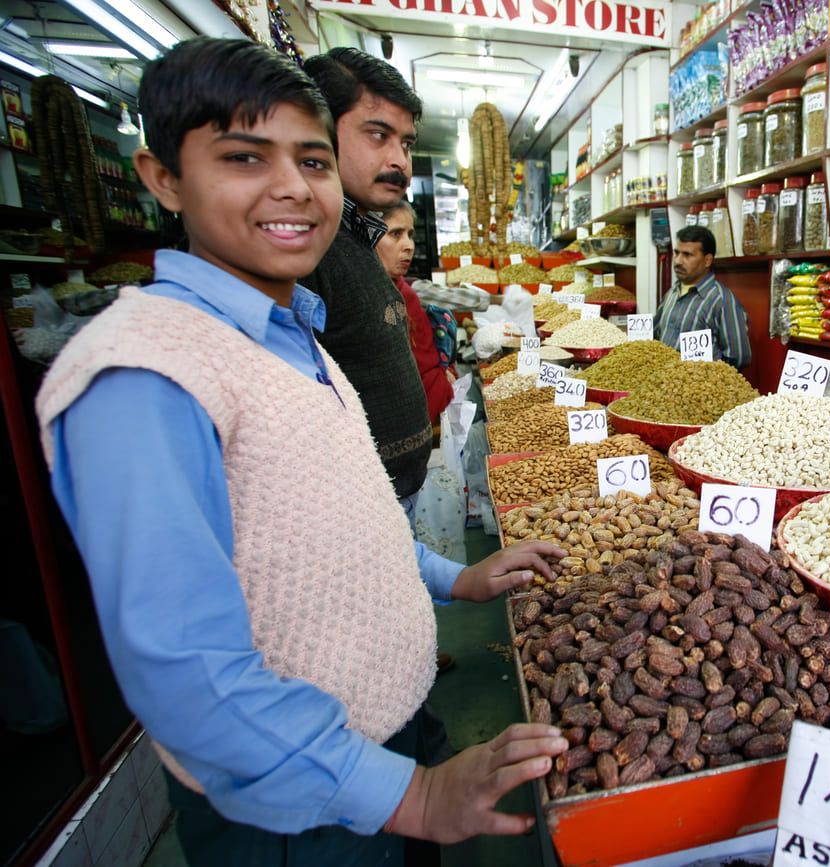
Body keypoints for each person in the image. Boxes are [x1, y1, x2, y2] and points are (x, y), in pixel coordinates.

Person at [35, 38, 566, 865]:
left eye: (313, 160)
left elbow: (346, 521)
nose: (291, 187)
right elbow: (192, 679)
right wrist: (411, 794)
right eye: (244, 157)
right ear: (163, 176)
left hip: (388, 733)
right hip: (298, 811)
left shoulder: (293, 335)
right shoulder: (142, 373)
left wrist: (454, 579)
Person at [301, 47, 432, 520]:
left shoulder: (357, 236)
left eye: (407, 143)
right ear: (318, 131)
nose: (399, 159)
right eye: (378, 135)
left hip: (389, 496)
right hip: (354, 508)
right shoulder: (308, 247)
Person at [376, 200, 455, 428]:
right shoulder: (378, 295)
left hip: (423, 405)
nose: (409, 245)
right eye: (395, 234)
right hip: (404, 419)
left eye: (410, 234)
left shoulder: (404, 291)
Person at [654, 225, 751, 369]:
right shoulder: (672, 292)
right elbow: (656, 335)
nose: (678, 261)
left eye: (687, 255)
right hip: (663, 385)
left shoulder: (722, 301)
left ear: (707, 260)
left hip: (698, 388)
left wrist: (705, 377)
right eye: (676, 253)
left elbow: (739, 357)